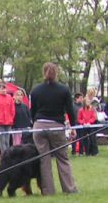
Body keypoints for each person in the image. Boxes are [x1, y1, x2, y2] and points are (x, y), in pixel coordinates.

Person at [29, 63, 78, 195]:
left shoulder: (35, 90)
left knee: (44, 160)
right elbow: (70, 110)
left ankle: (48, 190)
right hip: (57, 126)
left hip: (39, 126)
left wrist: (35, 123)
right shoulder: (64, 90)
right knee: (62, 158)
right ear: (57, 73)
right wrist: (73, 126)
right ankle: (69, 188)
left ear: (43, 72)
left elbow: (32, 111)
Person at [0, 82, 16, 157]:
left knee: (7, 140)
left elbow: (12, 109)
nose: (4, 90)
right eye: (2, 89)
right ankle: (5, 155)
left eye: (5, 88)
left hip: (8, 122)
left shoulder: (9, 97)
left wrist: (11, 119)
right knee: (2, 141)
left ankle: (8, 155)